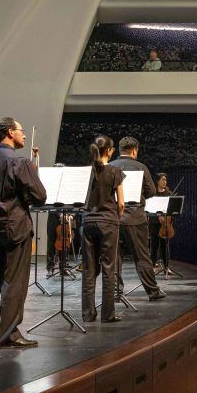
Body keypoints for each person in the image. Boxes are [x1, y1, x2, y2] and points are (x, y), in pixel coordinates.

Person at [0, 118, 47, 347]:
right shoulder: (20, 162)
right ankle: (9, 334)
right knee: (14, 283)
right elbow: (40, 196)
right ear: (9, 132)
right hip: (16, 228)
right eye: (21, 131)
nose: (24, 135)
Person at [108, 136, 166, 301]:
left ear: (120, 150)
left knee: (115, 257)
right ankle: (153, 292)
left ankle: (116, 294)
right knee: (142, 256)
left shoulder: (110, 166)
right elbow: (152, 191)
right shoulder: (141, 167)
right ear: (134, 150)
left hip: (114, 218)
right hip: (135, 218)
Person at [82, 135, 125, 323]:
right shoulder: (115, 171)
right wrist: (117, 218)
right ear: (108, 151)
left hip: (87, 223)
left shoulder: (86, 172)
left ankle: (88, 314)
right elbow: (121, 204)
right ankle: (108, 315)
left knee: (89, 269)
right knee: (109, 268)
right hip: (108, 222)